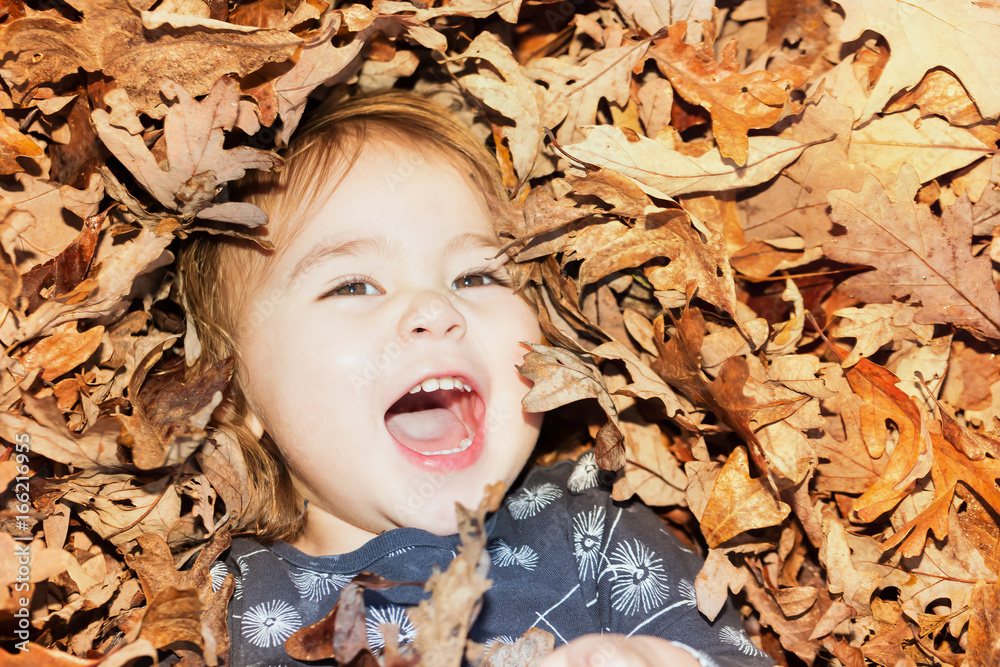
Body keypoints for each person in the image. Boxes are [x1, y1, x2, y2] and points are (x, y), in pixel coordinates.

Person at [178, 89, 774, 667]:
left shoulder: (592, 528)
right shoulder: (222, 600)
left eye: (475, 278)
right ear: (231, 394)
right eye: (352, 286)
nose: (438, 311)